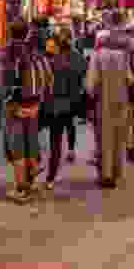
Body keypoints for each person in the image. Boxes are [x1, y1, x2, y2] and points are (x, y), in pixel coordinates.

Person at [4, 20, 53, 203]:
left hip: (15, 107)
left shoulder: (7, 52)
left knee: (17, 148)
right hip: (34, 106)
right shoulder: (37, 54)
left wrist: (12, 104)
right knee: (30, 142)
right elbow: (48, 78)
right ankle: (32, 179)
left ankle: (21, 189)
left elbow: (1, 83)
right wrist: (39, 103)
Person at [86, 39, 134, 189]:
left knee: (104, 137)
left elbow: (90, 84)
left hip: (104, 102)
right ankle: (116, 171)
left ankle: (106, 175)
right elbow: (130, 79)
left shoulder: (97, 56)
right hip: (121, 101)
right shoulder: (123, 55)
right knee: (118, 136)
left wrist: (90, 98)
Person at [95, 10, 134, 162]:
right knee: (125, 120)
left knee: (105, 121)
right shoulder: (131, 42)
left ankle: (103, 155)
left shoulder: (101, 39)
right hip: (125, 85)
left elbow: (95, 63)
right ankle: (126, 151)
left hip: (104, 85)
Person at [42, 30, 86, 189]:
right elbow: (82, 76)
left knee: (54, 140)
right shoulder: (74, 59)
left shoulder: (51, 61)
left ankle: (48, 175)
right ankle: (50, 177)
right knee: (57, 140)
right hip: (66, 104)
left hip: (51, 105)